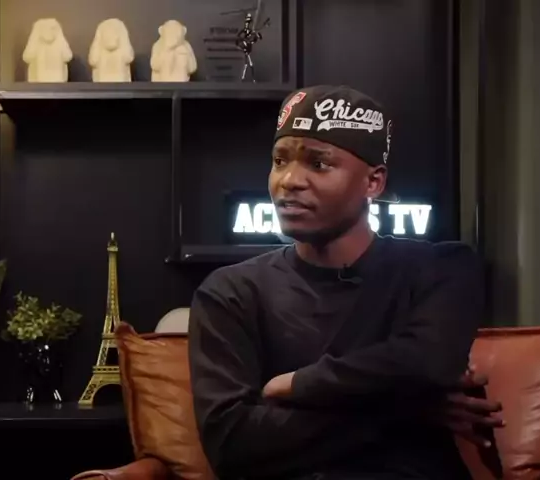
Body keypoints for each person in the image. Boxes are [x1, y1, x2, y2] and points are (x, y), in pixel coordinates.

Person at [188, 85, 503, 480]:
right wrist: (409, 408)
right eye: (279, 160)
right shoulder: (231, 292)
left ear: (373, 183)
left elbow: (430, 361)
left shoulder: (441, 268)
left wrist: (300, 385)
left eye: (318, 163)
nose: (289, 180)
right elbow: (232, 444)